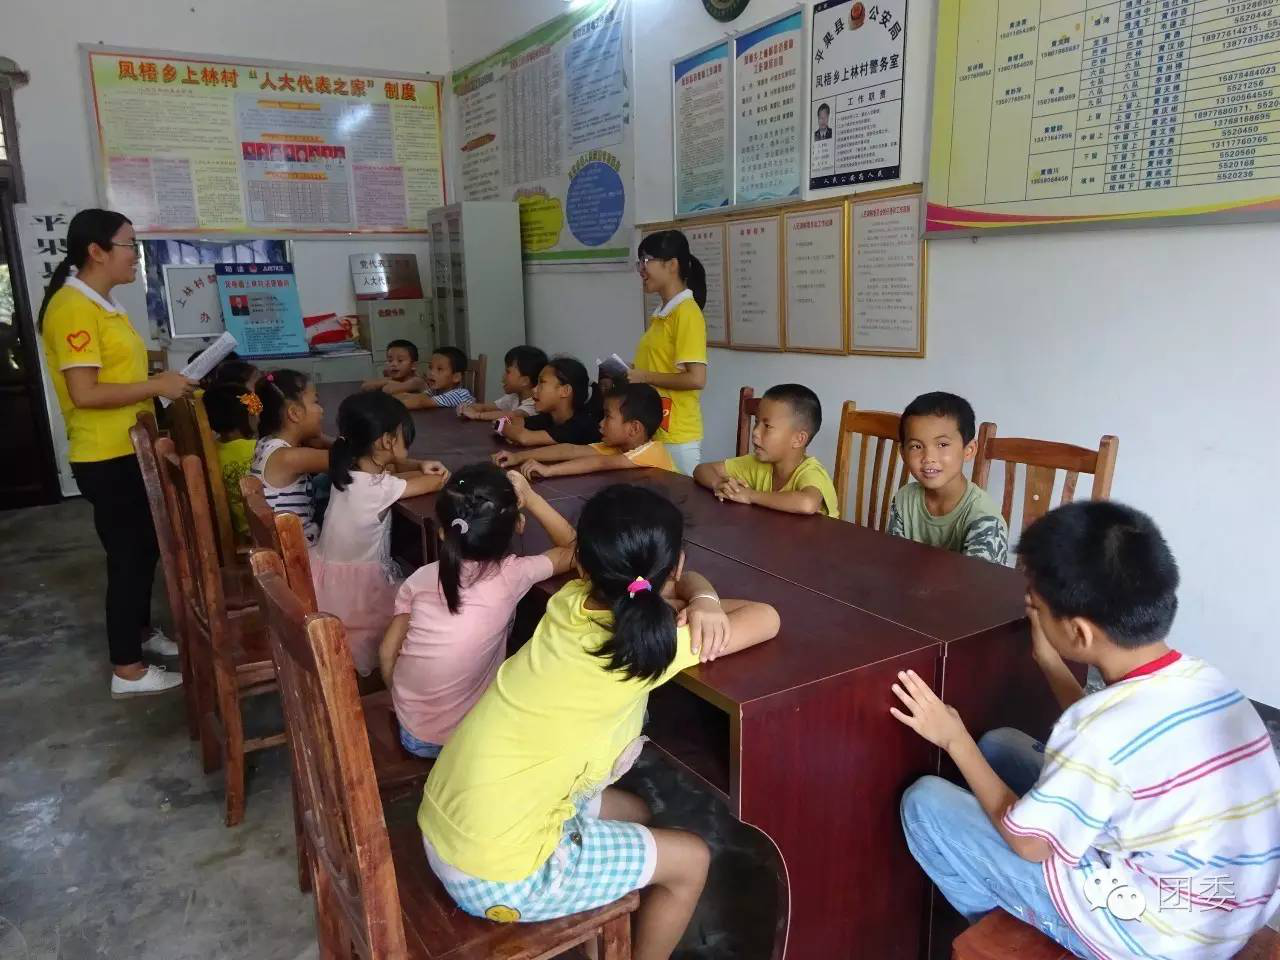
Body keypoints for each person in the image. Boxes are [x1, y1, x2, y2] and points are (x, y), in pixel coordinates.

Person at [893, 501, 1280, 960]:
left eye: (1037, 605)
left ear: (1079, 632)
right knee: (1000, 745)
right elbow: (1114, 744)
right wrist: (1048, 660)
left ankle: (1012, 931)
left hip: (1156, 937)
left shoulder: (1095, 732)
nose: (1032, 610)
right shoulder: (1204, 680)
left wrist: (952, 737)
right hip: (1227, 907)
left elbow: (1029, 844)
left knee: (925, 802)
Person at [418, 484, 780, 959]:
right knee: (692, 859)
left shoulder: (570, 601)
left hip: (445, 823)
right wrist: (705, 598)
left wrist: (693, 597)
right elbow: (767, 617)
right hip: (498, 873)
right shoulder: (647, 648)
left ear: (583, 565)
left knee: (637, 812)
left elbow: (640, 587)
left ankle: (599, 927)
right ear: (676, 565)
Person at [39, 208, 197, 697]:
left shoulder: (102, 304)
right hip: (106, 455)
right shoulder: (73, 308)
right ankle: (127, 669)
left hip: (130, 448)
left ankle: (140, 633)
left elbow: (118, 375)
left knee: (142, 549)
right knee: (129, 556)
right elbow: (84, 393)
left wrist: (160, 385)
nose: (136, 255)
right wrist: (157, 385)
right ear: (97, 251)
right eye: (130, 245)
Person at [379, 466, 575, 758]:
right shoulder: (512, 575)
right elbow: (575, 549)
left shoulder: (420, 579)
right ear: (519, 525)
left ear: (443, 533)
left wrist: (404, 703)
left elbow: (386, 652)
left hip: (411, 731)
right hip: (464, 741)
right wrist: (531, 497)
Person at [311, 392, 449, 676]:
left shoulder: (347, 473)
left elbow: (392, 478)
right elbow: (434, 483)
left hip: (331, 585)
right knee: (423, 606)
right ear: (386, 441)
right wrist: (430, 472)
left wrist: (417, 465)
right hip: (359, 598)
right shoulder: (378, 490)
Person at [889, 391, 1008, 564]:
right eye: (916, 446)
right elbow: (894, 561)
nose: (928, 457)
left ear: (969, 450)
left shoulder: (985, 520)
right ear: (903, 453)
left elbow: (978, 580)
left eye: (942, 444)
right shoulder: (904, 499)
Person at [693, 383, 838, 517]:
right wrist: (718, 484)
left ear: (798, 439)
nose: (755, 432)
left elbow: (807, 503)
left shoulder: (812, 472)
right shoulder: (758, 463)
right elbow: (702, 469)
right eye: (756, 422)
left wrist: (749, 495)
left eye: (767, 426)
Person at [631, 230, 708, 475]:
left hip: (676, 433)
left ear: (672, 265)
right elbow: (658, 365)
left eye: (646, 261)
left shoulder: (687, 313)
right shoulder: (663, 313)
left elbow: (696, 379)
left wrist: (644, 376)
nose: (641, 270)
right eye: (639, 262)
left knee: (682, 498)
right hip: (655, 426)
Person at [495, 383, 675, 479]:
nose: (601, 423)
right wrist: (518, 457)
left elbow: (600, 463)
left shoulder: (652, 452)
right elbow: (570, 450)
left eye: (608, 417)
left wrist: (548, 471)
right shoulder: (618, 447)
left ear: (634, 428)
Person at [250, 370, 329, 544]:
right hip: (299, 554)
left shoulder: (265, 444)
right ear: (294, 413)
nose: (321, 410)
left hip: (285, 549)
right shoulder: (288, 457)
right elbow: (348, 460)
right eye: (316, 402)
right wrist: (326, 440)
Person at [500, 356, 601, 447]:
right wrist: (508, 429)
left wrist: (509, 431)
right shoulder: (548, 417)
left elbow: (524, 438)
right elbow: (510, 422)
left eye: (542, 383)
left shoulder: (580, 425)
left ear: (565, 391)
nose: (534, 389)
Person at [203, 382, 261, 542]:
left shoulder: (211, 451)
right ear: (248, 415)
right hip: (261, 529)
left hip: (241, 530)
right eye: (256, 409)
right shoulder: (258, 448)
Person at [458, 345, 547, 422]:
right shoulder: (514, 396)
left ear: (524, 381)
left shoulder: (534, 403)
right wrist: (468, 408)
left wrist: (477, 415)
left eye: (508, 372)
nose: (503, 377)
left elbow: (512, 416)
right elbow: (485, 407)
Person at [399, 346, 475, 409]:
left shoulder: (460, 394)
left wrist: (395, 407)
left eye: (439, 369)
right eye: (430, 367)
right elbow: (417, 397)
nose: (431, 373)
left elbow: (421, 402)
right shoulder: (435, 391)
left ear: (456, 377)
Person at [360, 339, 425, 395]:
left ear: (413, 365)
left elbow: (388, 389)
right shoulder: (391, 379)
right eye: (390, 360)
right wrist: (387, 380)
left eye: (400, 360)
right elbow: (364, 386)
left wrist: (387, 381)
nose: (393, 364)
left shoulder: (417, 381)